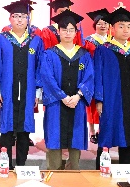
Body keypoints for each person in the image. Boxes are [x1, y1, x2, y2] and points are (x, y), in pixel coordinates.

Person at [39, 10, 93, 170]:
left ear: (76, 32)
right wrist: (62, 96)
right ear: (58, 31)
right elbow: (47, 78)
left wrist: (78, 96)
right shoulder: (49, 54)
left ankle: (73, 171)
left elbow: (89, 77)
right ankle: (53, 172)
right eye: (64, 30)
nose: (68, 33)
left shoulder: (83, 55)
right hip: (56, 103)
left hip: (77, 103)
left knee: (75, 138)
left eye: (71, 30)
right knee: (54, 137)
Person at [93, 7, 130, 168]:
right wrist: (99, 99)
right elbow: (98, 76)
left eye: (129, 26)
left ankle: (125, 170)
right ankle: (99, 170)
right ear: (113, 28)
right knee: (106, 133)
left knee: (128, 134)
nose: (126, 30)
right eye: (121, 26)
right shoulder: (103, 50)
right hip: (111, 99)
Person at [0, 0, 44, 168]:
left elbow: (39, 67)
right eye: (16, 16)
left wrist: (37, 92)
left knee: (24, 129)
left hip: (28, 92)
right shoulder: (1, 39)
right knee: (6, 128)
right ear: (10, 19)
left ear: (28, 19)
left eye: (23, 16)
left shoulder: (36, 41)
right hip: (7, 91)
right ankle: (5, 164)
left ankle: (21, 165)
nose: (20, 20)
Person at [83, 8, 110, 145]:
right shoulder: (88, 41)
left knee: (106, 103)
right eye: (99, 23)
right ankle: (92, 131)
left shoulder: (112, 41)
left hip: (107, 76)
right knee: (91, 104)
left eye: (105, 23)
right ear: (95, 25)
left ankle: (101, 130)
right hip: (92, 75)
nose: (103, 25)